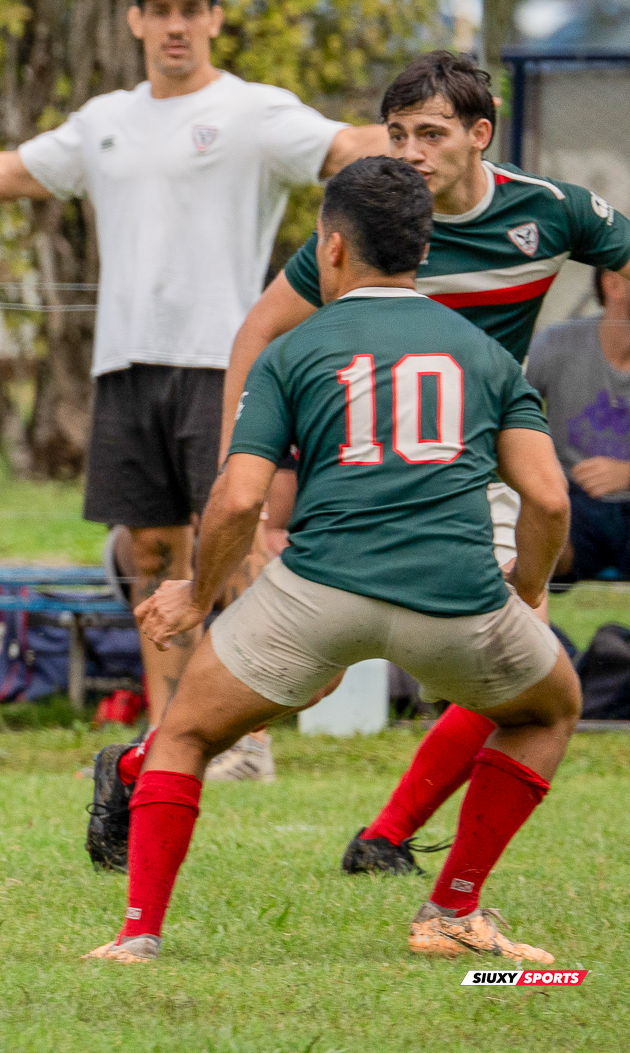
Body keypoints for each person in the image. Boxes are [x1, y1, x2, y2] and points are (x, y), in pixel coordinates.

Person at [0, 0, 386, 778]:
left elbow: (347, 147)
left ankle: (246, 737)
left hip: (221, 362)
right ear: (135, 21)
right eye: (160, 8)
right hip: (125, 368)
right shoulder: (104, 120)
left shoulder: (253, 112)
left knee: (230, 544)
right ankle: (169, 739)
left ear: (214, 19)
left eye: (191, 8)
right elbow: (5, 171)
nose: (176, 23)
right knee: (148, 552)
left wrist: (428, 142)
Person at [86, 157, 578, 965]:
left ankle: (138, 934)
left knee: (182, 736)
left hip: (317, 593)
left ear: (333, 248)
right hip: (455, 600)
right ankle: (452, 910)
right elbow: (549, 501)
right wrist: (524, 593)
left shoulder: (292, 349)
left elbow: (240, 500)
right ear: (423, 251)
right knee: (549, 709)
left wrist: (197, 597)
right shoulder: (488, 357)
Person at [213, 51, 630, 877]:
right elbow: (257, 332)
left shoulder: (549, 213)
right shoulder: (374, 226)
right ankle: (139, 767)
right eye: (398, 133)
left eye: (431, 134)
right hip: (364, 478)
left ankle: (395, 845)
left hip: (477, 472)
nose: (409, 152)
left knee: (530, 672)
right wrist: (251, 467)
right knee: (282, 684)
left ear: (481, 135)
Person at [529, 269, 630, 582]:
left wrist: (626, 473)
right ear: (612, 282)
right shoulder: (556, 344)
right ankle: (539, 629)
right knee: (534, 518)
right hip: (571, 502)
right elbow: (505, 416)